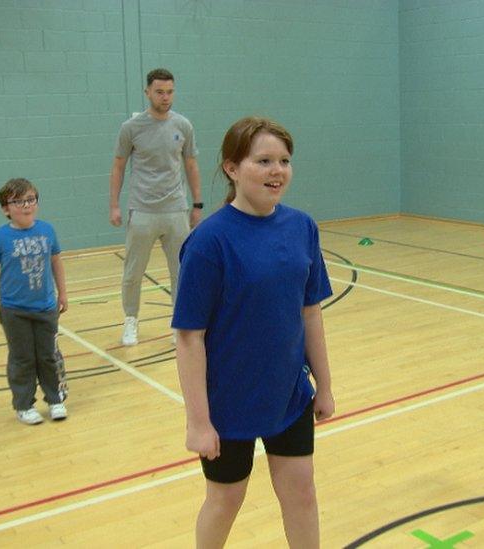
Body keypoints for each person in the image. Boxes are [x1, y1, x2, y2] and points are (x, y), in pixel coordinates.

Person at [172, 116, 335, 548]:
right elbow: (189, 337)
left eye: (283, 160)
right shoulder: (209, 241)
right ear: (231, 168)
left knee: (301, 492)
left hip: (289, 393)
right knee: (225, 500)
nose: (276, 170)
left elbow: (310, 311)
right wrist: (198, 422)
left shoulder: (302, 227)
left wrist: (325, 385)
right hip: (228, 404)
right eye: (263, 160)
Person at [110, 68, 202, 346]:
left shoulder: (183, 126)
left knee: (181, 271)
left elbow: (191, 165)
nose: (165, 97)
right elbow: (118, 166)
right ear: (147, 92)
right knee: (133, 271)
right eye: (159, 92)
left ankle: (180, 322)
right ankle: (131, 320)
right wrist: (114, 204)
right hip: (142, 211)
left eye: (170, 92)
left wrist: (196, 204)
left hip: (176, 210)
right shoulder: (131, 128)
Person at [0, 178, 69, 425]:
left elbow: (56, 262)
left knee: (48, 355)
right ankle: (24, 404)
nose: (26, 206)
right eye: (18, 202)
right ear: (6, 209)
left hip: (46, 308)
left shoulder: (47, 231)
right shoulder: (0, 237)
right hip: (14, 311)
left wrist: (63, 293)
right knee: (22, 358)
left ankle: (55, 399)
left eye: (30, 200)